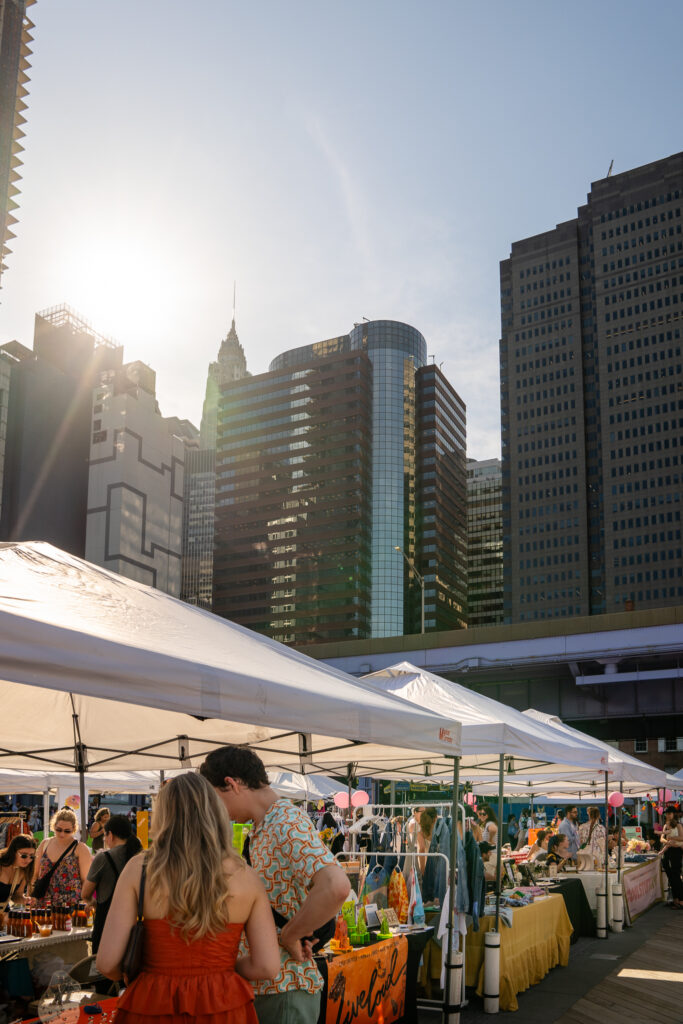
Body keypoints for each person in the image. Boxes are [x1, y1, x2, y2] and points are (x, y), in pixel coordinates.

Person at [97, 773, 280, 1023]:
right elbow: (267, 967)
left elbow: (107, 963)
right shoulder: (246, 877)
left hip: (152, 1003)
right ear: (215, 812)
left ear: (162, 816)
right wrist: (222, 968)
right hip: (222, 1003)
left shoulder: (138, 869)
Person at [200, 746, 350, 1024]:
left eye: (214, 800)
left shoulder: (285, 821)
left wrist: (290, 935)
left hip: (285, 989)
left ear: (231, 784)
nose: (215, 811)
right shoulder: (267, 824)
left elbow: (336, 886)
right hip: (275, 987)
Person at [82, 814, 143, 952]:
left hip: (107, 925)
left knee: (102, 969)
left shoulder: (103, 858)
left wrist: (92, 902)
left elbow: (85, 893)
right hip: (134, 924)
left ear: (110, 835)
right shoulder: (141, 857)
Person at [32, 809, 91, 904]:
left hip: (70, 903)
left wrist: (84, 902)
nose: (62, 834)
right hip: (44, 901)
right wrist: (32, 895)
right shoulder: (45, 844)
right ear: (53, 826)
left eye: (67, 831)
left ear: (74, 829)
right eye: (58, 830)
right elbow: (34, 874)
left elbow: (86, 880)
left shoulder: (80, 848)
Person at [0, 835, 37, 909]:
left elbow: (16, 895)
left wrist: (25, 900)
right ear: (13, 852)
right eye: (24, 855)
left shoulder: (23, 870)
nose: (28, 860)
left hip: (3, 912)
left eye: (32, 856)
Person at [660, 806, 683, 908]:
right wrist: (668, 842)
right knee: (670, 875)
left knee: (676, 875)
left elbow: (682, 837)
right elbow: (662, 838)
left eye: (670, 813)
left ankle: (681, 900)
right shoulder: (665, 826)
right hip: (667, 850)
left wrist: (672, 839)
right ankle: (675, 900)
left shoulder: (678, 825)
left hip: (676, 851)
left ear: (674, 814)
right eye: (667, 814)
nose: (668, 815)